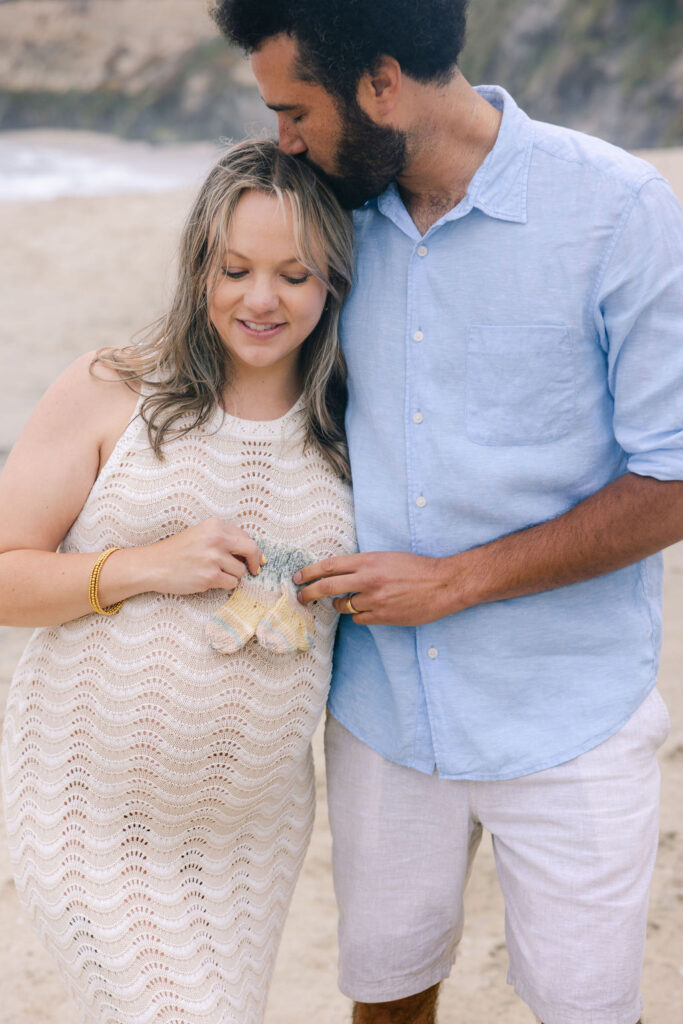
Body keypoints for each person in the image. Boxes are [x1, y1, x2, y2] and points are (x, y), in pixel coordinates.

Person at [214, 2, 683, 1023]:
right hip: (378, 711)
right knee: (384, 998)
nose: (281, 140)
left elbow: (672, 477)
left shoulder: (618, 210)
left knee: (587, 1010)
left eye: (296, 111)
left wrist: (455, 579)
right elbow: (223, 345)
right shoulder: (318, 216)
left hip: (565, 715)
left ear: (381, 83)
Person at [0, 138, 356, 1024]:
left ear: (334, 282)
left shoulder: (356, 430)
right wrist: (149, 567)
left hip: (249, 838)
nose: (261, 299)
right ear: (199, 265)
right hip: (88, 816)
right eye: (234, 269)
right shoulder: (113, 391)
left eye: (295, 274)